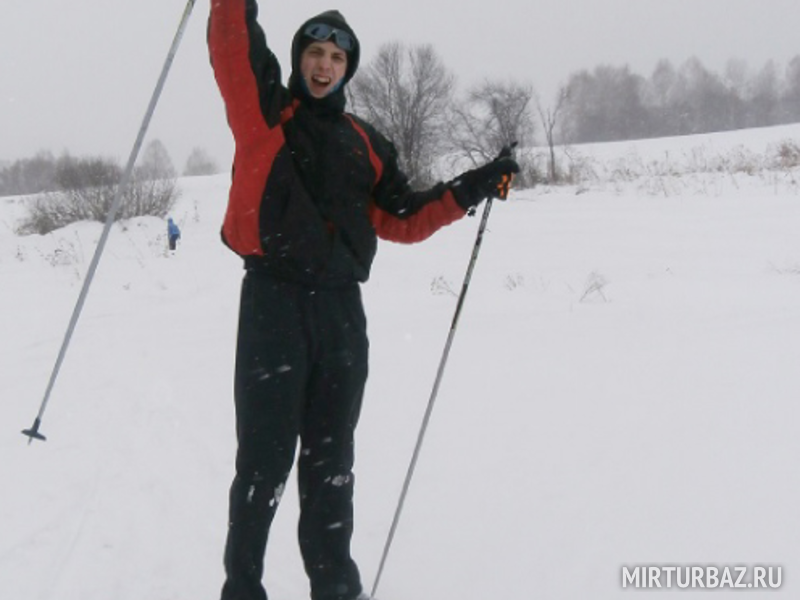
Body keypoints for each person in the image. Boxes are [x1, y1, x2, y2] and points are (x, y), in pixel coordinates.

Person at [208, 2, 519, 600]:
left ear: (347, 68)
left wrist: (474, 185)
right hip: (273, 305)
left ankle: (336, 588)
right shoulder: (266, 113)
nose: (324, 66)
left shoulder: (366, 144)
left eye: (336, 57)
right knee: (263, 464)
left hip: (341, 317)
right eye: (315, 53)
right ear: (298, 59)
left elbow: (405, 217)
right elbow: (232, 45)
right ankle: (242, 589)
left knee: (332, 465)